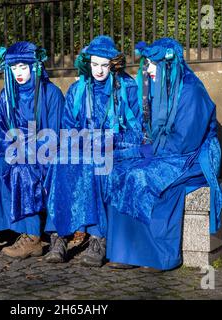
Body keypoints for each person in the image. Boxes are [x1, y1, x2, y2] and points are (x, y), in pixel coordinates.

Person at [105, 38, 222, 271]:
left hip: (192, 157)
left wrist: (145, 153)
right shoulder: (158, 88)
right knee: (118, 171)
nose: (147, 68)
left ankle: (160, 255)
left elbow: (183, 142)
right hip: (164, 153)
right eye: (147, 63)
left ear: (168, 65)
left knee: (145, 176)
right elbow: (145, 130)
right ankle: (128, 251)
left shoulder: (191, 91)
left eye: (151, 63)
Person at [44, 35, 143, 267]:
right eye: (95, 64)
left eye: (104, 65)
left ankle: (98, 238)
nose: (99, 70)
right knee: (60, 164)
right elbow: (68, 130)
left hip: (116, 150)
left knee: (98, 166)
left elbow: (136, 132)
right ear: (87, 64)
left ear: (113, 64)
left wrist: (107, 140)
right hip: (83, 148)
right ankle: (59, 236)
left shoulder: (127, 87)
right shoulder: (77, 89)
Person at [0, 41, 64, 259]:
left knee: (24, 170)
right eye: (14, 68)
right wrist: (11, 150)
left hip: (44, 154)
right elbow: (1, 128)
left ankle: (31, 236)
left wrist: (31, 151)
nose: (18, 73)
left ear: (35, 66)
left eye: (24, 67)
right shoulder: (7, 94)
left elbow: (57, 133)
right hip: (14, 151)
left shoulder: (52, 93)